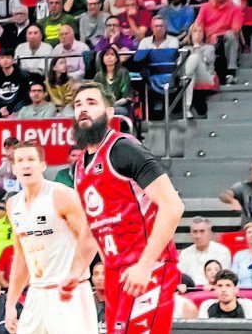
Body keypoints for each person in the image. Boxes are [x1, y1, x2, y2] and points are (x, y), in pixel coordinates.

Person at [71, 82, 184, 334]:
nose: (83, 110)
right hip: (114, 272)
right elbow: (93, 228)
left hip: (148, 267)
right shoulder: (78, 167)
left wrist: (145, 265)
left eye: (91, 103)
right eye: (78, 105)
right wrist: (75, 273)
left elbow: (172, 206)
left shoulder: (124, 149)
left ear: (109, 112)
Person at [4, 142, 96, 334]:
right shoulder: (13, 204)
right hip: (36, 294)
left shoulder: (61, 195)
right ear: (14, 168)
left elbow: (90, 238)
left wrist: (75, 272)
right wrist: (11, 303)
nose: (26, 165)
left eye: (31, 160)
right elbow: (21, 259)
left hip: (69, 294)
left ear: (43, 165)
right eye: (20, 160)